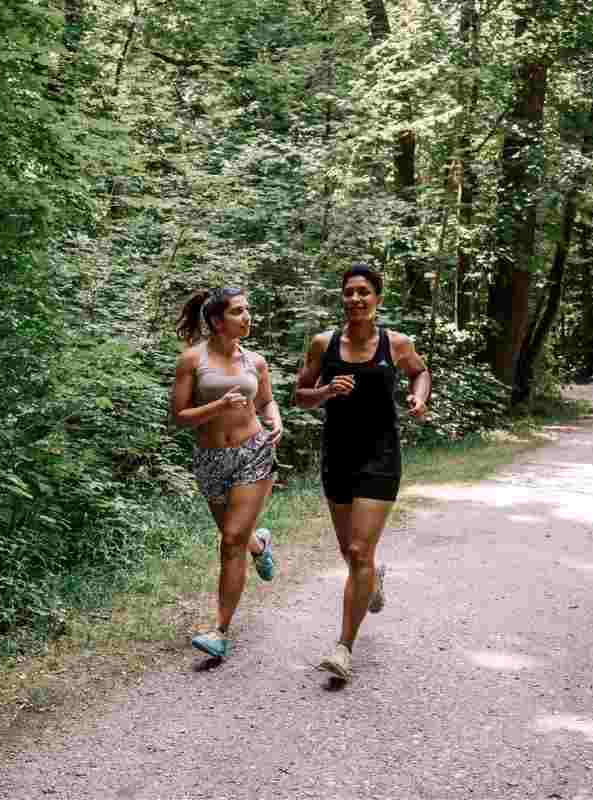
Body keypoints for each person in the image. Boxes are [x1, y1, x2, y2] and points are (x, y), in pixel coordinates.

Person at [294, 264, 430, 682]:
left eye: (364, 292)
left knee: (357, 552)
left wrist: (418, 397)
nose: (355, 299)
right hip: (338, 455)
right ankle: (373, 582)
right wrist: (326, 391)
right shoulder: (323, 344)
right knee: (351, 553)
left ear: (377, 299)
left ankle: (343, 648)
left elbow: (420, 372)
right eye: (349, 292)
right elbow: (299, 396)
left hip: (381, 455)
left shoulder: (396, 343)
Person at [171, 286, 283, 659]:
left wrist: (274, 421)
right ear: (218, 321)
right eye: (238, 312)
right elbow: (180, 417)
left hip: (254, 454)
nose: (247, 317)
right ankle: (260, 544)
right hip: (210, 459)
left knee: (230, 541)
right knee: (236, 537)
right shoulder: (192, 360)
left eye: (247, 310)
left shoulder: (256, 361)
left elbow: (266, 400)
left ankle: (220, 631)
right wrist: (217, 405)